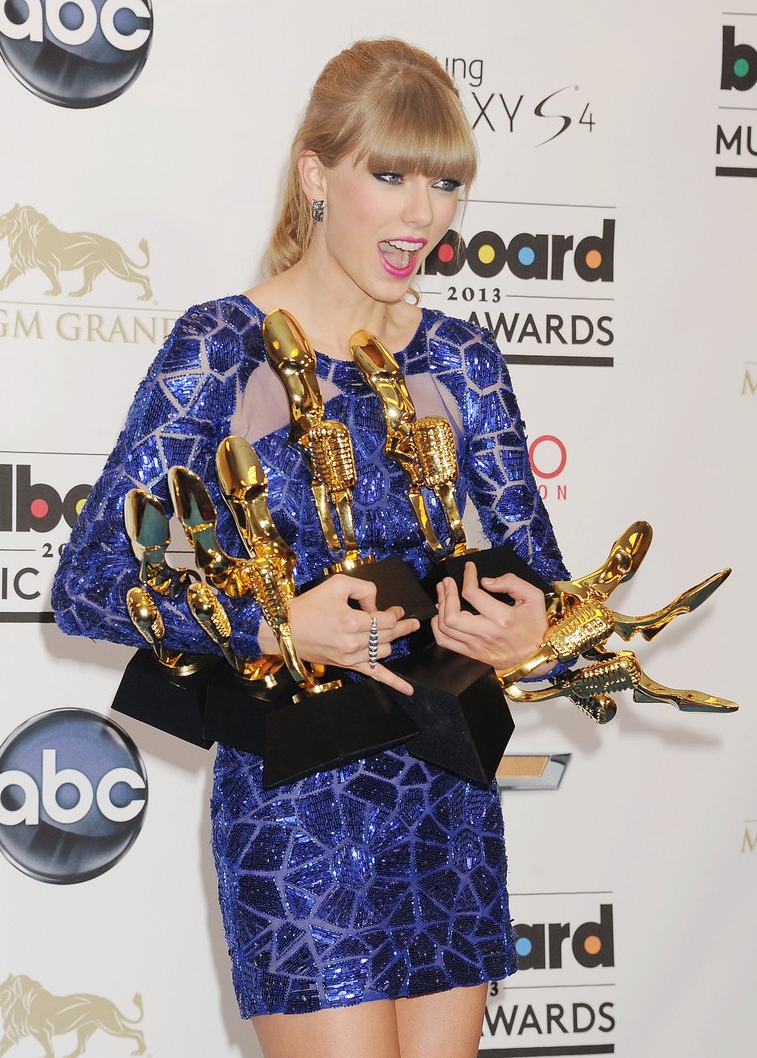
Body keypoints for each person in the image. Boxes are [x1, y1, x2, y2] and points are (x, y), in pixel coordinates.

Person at [52, 38, 568, 1058]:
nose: (421, 213)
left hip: (446, 796)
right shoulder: (220, 347)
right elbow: (93, 583)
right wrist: (273, 621)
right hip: (297, 816)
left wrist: (526, 621)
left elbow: (534, 564)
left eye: (443, 182)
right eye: (389, 174)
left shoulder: (461, 357)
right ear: (316, 173)